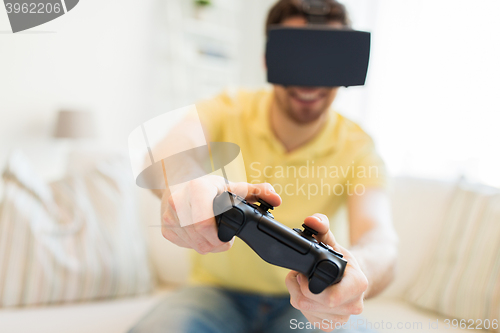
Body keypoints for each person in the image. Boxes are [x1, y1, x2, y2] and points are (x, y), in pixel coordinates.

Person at [129, 0, 398, 332]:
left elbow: (379, 239)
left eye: (326, 59)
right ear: (269, 59)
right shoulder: (230, 107)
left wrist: (356, 270)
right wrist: (183, 185)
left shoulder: (358, 145)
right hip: (214, 294)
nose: (310, 82)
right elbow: (170, 151)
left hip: (305, 301)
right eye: (298, 56)